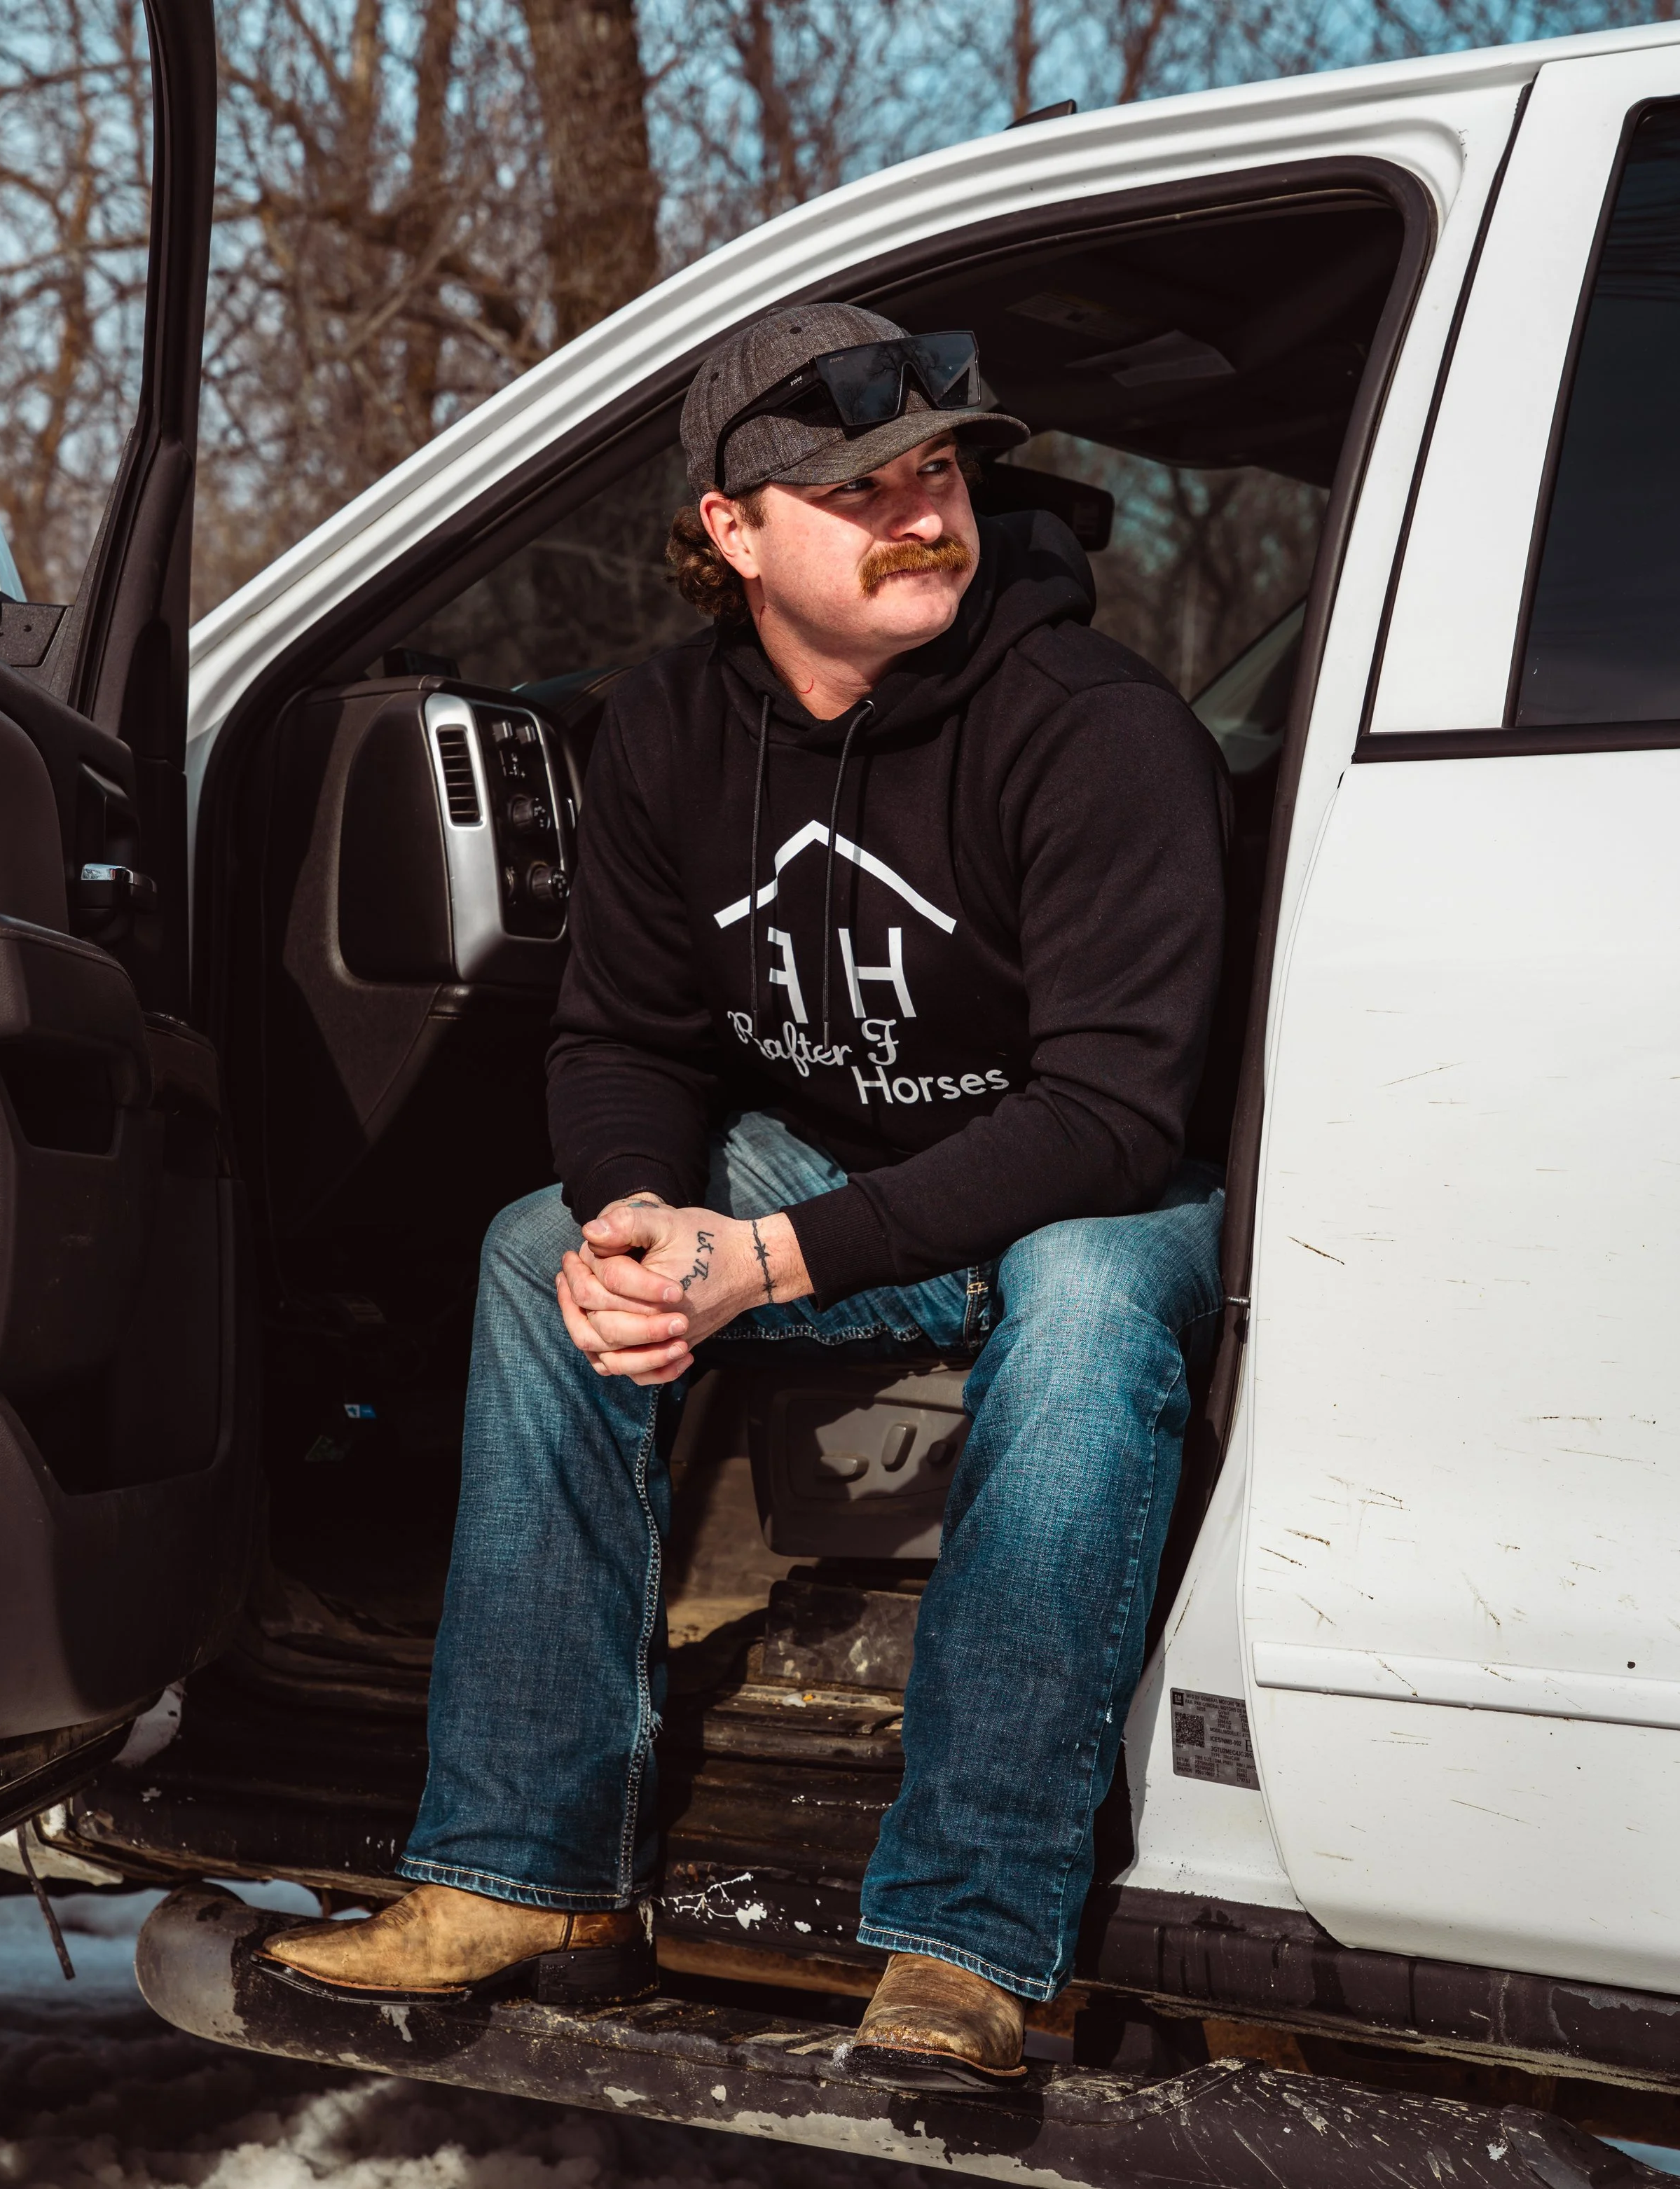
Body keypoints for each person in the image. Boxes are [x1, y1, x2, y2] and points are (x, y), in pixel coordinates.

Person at [260, 303, 1232, 2092]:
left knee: (1090, 1301)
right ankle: (530, 1873)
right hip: (847, 1171)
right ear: (731, 530)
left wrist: (767, 1256)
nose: (923, 513)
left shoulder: (1097, 728)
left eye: (937, 472)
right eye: (861, 488)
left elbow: (1107, 1114)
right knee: (540, 1252)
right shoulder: (663, 730)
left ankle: (963, 1942)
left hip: (1092, 1186)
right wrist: (642, 1222)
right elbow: (621, 1035)